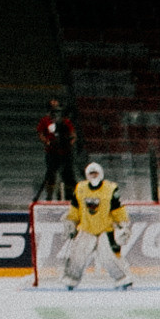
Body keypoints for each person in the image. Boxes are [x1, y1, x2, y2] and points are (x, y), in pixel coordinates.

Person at [60, 161, 132, 290]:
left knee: (109, 257)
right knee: (77, 255)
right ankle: (70, 280)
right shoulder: (80, 188)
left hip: (105, 229)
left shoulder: (110, 188)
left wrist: (123, 224)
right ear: (87, 175)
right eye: (91, 173)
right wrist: (71, 221)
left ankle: (124, 279)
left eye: (96, 173)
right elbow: (75, 208)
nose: (93, 176)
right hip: (86, 229)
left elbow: (117, 209)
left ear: (101, 174)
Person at [35, 99, 79, 201]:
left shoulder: (65, 121)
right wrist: (48, 142)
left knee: (68, 175)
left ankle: (71, 195)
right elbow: (40, 133)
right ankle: (49, 196)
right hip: (52, 152)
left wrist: (68, 144)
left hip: (65, 153)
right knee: (51, 175)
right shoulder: (45, 121)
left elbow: (73, 135)